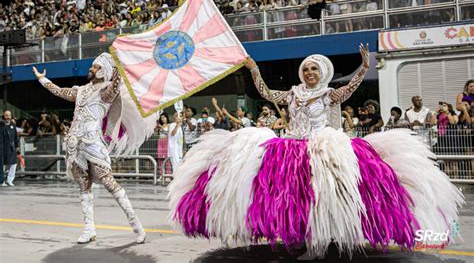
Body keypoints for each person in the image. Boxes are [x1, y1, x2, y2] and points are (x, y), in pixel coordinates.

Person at [169, 44, 463, 260]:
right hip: (290, 152)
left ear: (322, 72)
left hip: (322, 151)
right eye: (306, 68)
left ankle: (320, 242)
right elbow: (267, 94)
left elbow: (348, 90)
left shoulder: (329, 93)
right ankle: (299, 239)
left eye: (314, 69)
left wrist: (362, 68)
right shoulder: (293, 93)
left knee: (321, 198)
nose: (309, 72)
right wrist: (253, 69)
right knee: (293, 199)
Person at [32, 53, 146, 244]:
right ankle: (89, 229)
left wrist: (118, 63)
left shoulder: (107, 92)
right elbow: (59, 91)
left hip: (93, 143)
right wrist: (42, 79)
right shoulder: (81, 91)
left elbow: (117, 82)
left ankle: (137, 226)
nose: (90, 69)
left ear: (102, 71)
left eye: (94, 67)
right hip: (75, 144)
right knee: (84, 186)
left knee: (110, 183)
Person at [1, 110, 19, 187]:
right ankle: (1, 181)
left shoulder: (13, 125)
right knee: (1, 165)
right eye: (6, 115)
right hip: (1, 147)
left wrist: (17, 146)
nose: (8, 117)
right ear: (3, 116)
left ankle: (9, 180)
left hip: (11, 147)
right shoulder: (0, 125)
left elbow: (15, 136)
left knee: (13, 164)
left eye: (9, 115)